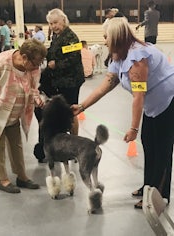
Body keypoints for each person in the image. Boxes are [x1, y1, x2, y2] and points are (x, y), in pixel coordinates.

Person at [72, 17, 174, 209]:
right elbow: (107, 84)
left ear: (117, 36)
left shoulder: (137, 56)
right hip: (153, 104)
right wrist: (82, 106)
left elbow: (138, 95)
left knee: (162, 149)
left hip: (168, 100)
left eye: (106, 37)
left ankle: (159, 195)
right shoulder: (119, 55)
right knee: (149, 145)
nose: (104, 41)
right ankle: (148, 187)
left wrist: (133, 128)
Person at [0, 38, 47, 193]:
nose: (37, 67)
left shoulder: (33, 68)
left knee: (16, 145)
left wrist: (37, 100)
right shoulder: (0, 63)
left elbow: (34, 87)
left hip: (14, 114)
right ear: (24, 57)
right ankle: (3, 180)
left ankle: (22, 177)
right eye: (36, 63)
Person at [33, 8, 84, 162]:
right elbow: (54, 52)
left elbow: (74, 58)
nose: (53, 26)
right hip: (59, 82)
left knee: (71, 112)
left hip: (71, 82)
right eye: (50, 23)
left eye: (55, 22)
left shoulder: (72, 37)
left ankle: (77, 146)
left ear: (63, 20)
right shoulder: (56, 36)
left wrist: (57, 64)